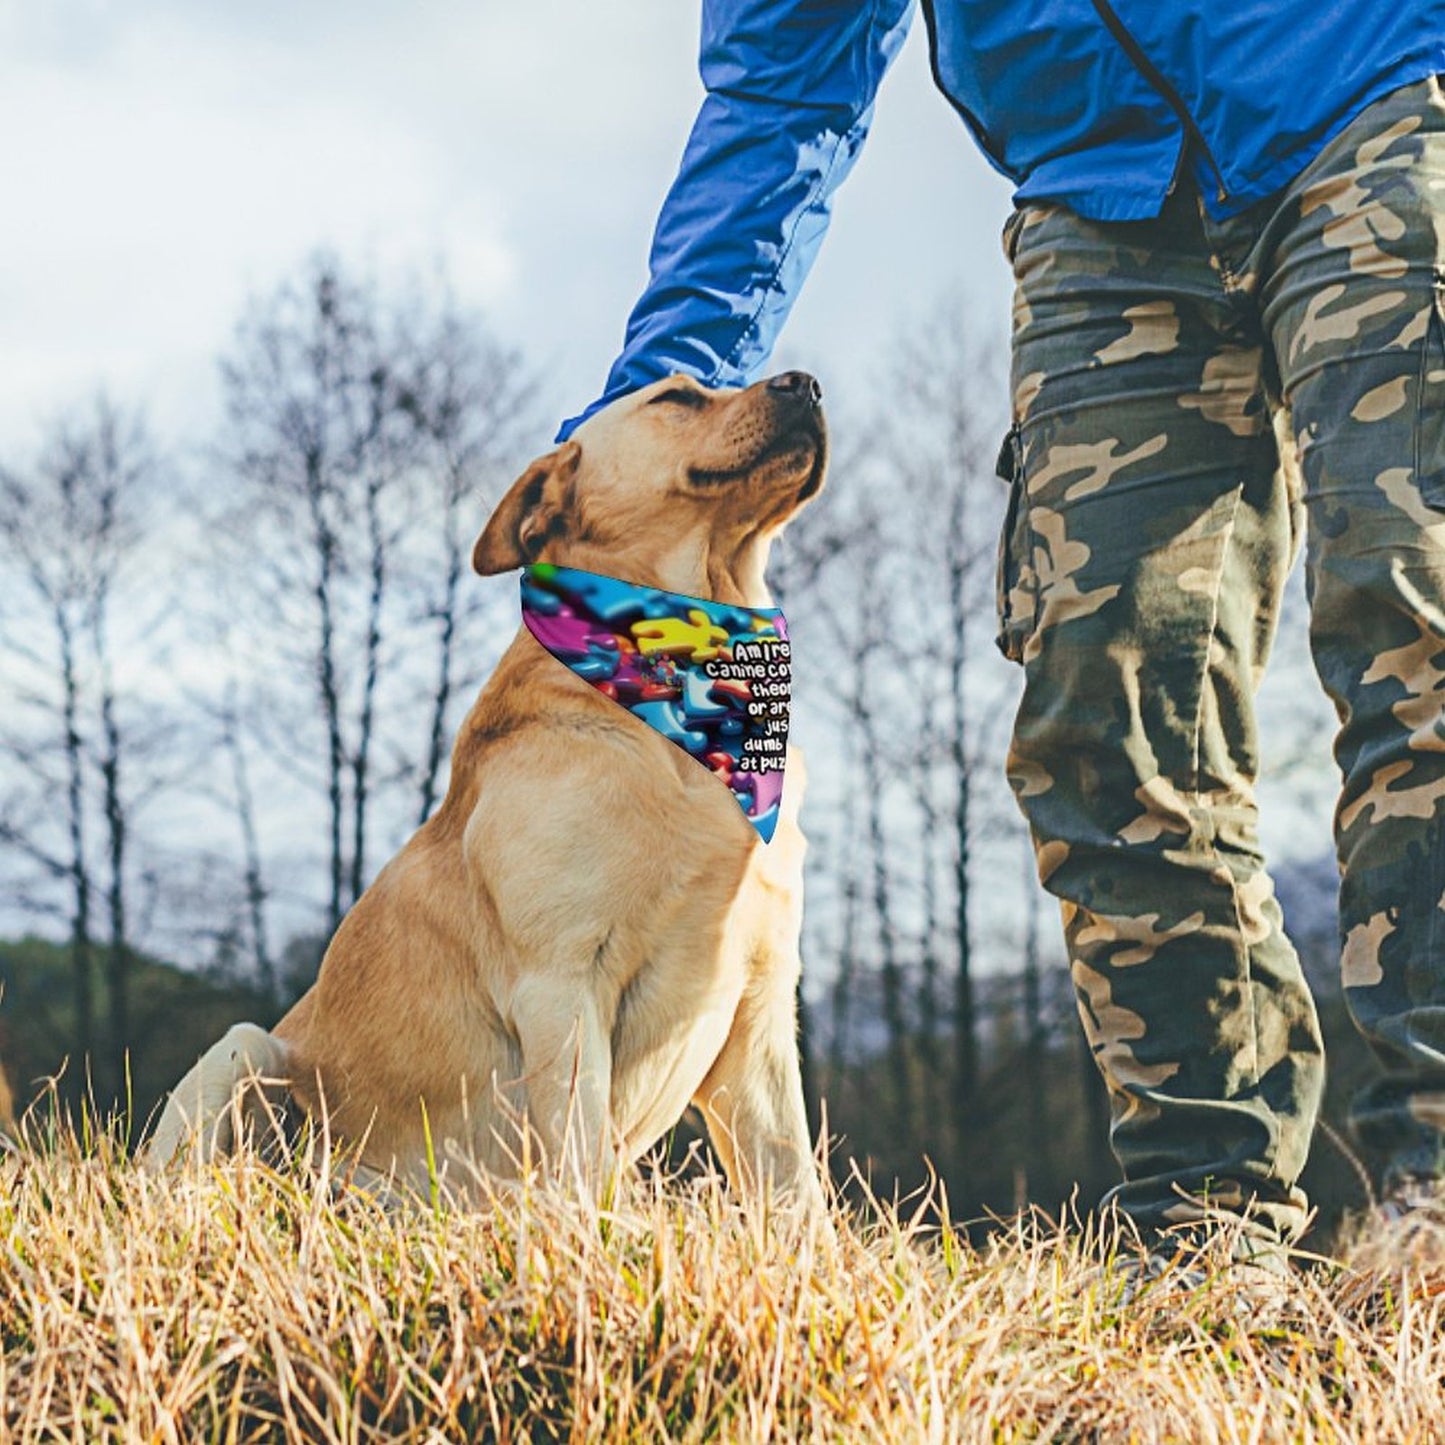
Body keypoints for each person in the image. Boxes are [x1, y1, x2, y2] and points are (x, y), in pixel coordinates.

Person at [559, 0, 1445, 1270]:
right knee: (1105, 719)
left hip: (1368, 86)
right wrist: (652, 425)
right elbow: (779, 93)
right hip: (1101, 200)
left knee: (1412, 622)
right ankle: (1206, 1227)